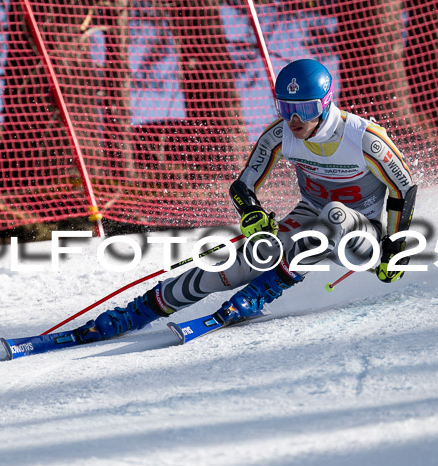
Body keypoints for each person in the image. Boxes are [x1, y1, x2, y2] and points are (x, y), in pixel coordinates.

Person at [73, 58, 417, 343]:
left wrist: (396, 248)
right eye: (286, 108)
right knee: (244, 259)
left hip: (363, 236)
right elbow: (243, 184)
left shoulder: (365, 139)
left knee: (335, 215)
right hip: (310, 218)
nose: (294, 120)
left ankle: (258, 296)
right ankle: (133, 314)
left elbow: (405, 189)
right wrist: (251, 210)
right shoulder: (281, 134)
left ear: (325, 104)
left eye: (305, 109)